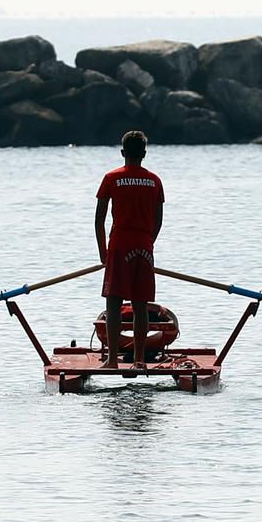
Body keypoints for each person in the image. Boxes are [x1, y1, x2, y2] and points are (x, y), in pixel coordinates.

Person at [95, 130, 164, 369]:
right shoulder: (155, 180)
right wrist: (148, 243)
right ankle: (138, 360)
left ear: (123, 152)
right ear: (144, 154)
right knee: (140, 305)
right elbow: (158, 220)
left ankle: (112, 360)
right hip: (144, 248)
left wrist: (103, 252)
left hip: (119, 247)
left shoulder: (111, 177)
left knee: (113, 304)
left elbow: (99, 220)